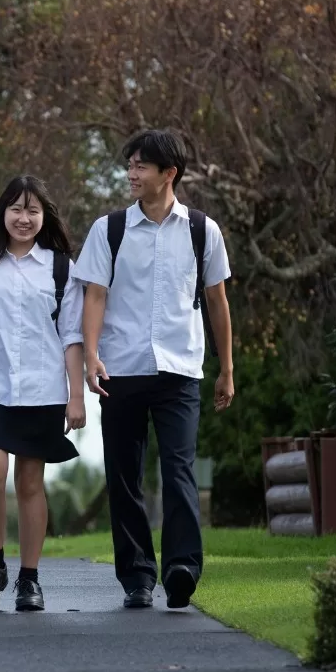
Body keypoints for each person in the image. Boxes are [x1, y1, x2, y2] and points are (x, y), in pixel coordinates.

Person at [71, 128, 234, 610]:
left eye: (141, 166)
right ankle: (138, 576)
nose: (132, 174)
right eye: (131, 165)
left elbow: (217, 301)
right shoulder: (109, 230)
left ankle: (183, 567)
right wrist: (91, 356)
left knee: (178, 468)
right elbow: (94, 296)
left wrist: (226, 369)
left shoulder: (203, 230)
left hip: (181, 369)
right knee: (123, 474)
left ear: (170, 174)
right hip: (120, 368)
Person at [0, 175, 86, 612]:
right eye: (16, 209)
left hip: (43, 387)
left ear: (45, 217)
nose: (24, 219)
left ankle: (30, 578)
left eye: (33, 211)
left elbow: (72, 336)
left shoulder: (62, 267)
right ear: (2, 212)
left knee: (29, 481)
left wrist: (76, 395)